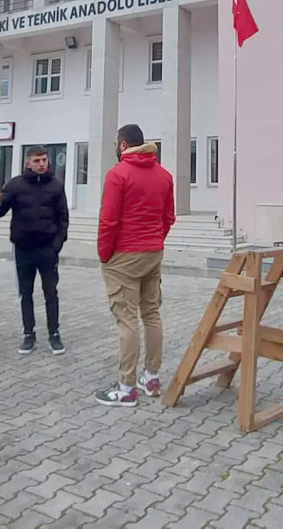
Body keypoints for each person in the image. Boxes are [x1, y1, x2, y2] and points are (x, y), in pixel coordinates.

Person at [94, 124, 175, 407]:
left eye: (116, 143)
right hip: (153, 251)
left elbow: (109, 220)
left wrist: (105, 255)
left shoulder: (118, 174)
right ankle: (151, 377)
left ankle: (126, 386)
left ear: (123, 144)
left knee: (126, 319)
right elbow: (169, 217)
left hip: (124, 256)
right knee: (151, 314)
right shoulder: (164, 176)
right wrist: (155, 241)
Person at [0, 145, 69, 354]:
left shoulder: (56, 186)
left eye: (44, 160)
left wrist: (56, 245)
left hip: (47, 249)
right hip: (23, 250)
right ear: (27, 163)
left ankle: (54, 334)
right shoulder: (15, 185)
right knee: (25, 293)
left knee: (51, 292)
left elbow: (63, 219)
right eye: (37, 161)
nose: (41, 164)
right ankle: (28, 335)